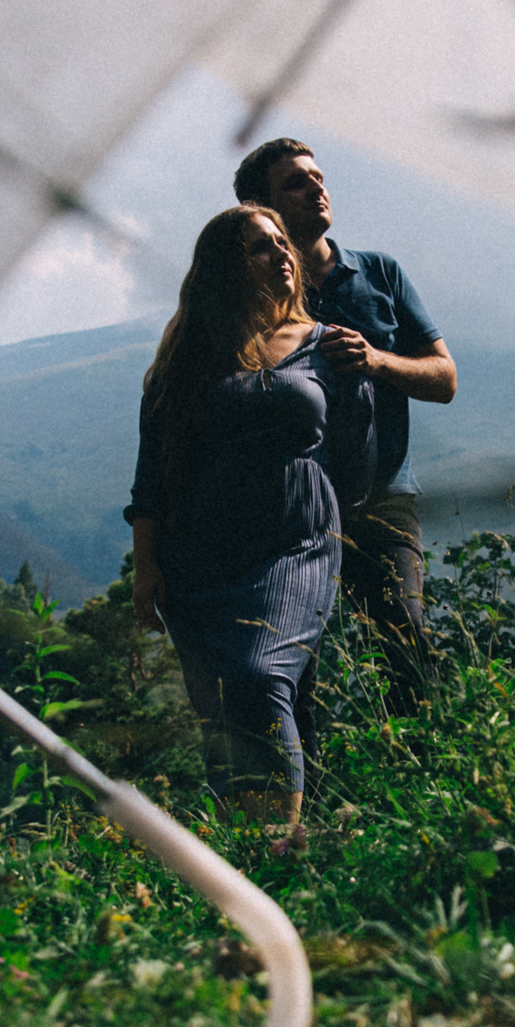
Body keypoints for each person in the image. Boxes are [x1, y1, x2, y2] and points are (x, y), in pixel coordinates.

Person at [126, 205, 375, 844]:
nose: (283, 255)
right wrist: (146, 566)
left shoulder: (331, 347)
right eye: (262, 248)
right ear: (227, 270)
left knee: (258, 675)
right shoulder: (188, 359)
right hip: (199, 559)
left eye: (281, 244)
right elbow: (152, 471)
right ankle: (244, 856)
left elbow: (353, 457)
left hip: (295, 547)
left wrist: (330, 526)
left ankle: (274, 850)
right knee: (222, 709)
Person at [234, 139, 456, 715]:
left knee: (406, 642)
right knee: (291, 664)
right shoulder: (251, 296)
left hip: (384, 497)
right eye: (296, 183)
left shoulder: (379, 273)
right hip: (291, 508)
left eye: (317, 176)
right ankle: (308, 797)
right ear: (262, 207)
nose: (316, 188)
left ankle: (433, 778)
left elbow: (445, 379)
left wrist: (376, 360)